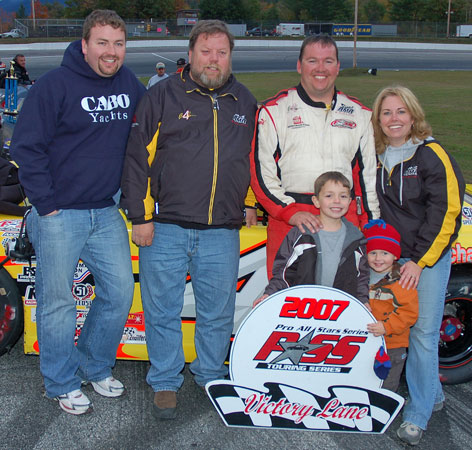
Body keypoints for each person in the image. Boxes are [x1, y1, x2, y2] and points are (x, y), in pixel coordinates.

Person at [10, 9, 146, 415]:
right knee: (57, 303)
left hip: (104, 211)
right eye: (102, 43)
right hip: (59, 214)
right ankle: (61, 381)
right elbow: (25, 148)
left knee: (119, 293)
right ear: (85, 45)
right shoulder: (54, 85)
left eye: (118, 44)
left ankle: (93, 365)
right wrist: (47, 206)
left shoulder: (129, 83)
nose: (111, 52)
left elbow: (151, 131)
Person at [120, 20, 258, 420]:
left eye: (221, 53)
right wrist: (140, 216)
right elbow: (137, 157)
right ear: (191, 54)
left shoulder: (244, 101)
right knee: (162, 309)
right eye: (206, 51)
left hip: (222, 230)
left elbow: (251, 158)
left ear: (230, 57)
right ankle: (165, 380)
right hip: (166, 227)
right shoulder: (162, 95)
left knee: (217, 312)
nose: (213, 60)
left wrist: (249, 201)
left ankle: (210, 375)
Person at [371, 85, 464, 445]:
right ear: (378, 120)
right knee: (401, 330)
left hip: (426, 259)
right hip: (391, 259)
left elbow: (447, 212)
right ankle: (433, 396)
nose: (393, 119)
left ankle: (417, 414)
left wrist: (420, 262)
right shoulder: (375, 156)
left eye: (401, 111)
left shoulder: (431, 154)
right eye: (386, 113)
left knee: (422, 333)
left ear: (413, 116)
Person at [250, 35, 380, 279]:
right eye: (312, 61)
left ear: (337, 67)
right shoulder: (274, 110)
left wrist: (372, 227)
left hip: (343, 221)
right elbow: (261, 174)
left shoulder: (359, 114)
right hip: (291, 221)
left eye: (328, 61)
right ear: (300, 66)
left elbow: (367, 179)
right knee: (289, 297)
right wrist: (290, 213)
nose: (321, 68)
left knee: (341, 297)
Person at [254, 171, 369, 306]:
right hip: (303, 308)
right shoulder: (301, 234)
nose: (337, 201)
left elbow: (362, 277)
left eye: (343, 196)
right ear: (316, 201)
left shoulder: (356, 238)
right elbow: (283, 272)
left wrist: (363, 301)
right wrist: (270, 294)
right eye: (329, 196)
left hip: (341, 309)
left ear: (350, 201)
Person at [363, 220, 418, 392]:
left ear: (395, 255)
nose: (378, 258)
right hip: (364, 343)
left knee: (386, 386)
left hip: (392, 345)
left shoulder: (401, 282)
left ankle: (384, 407)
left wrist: (386, 327)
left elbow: (408, 313)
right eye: (373, 253)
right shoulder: (361, 278)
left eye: (385, 253)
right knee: (364, 382)